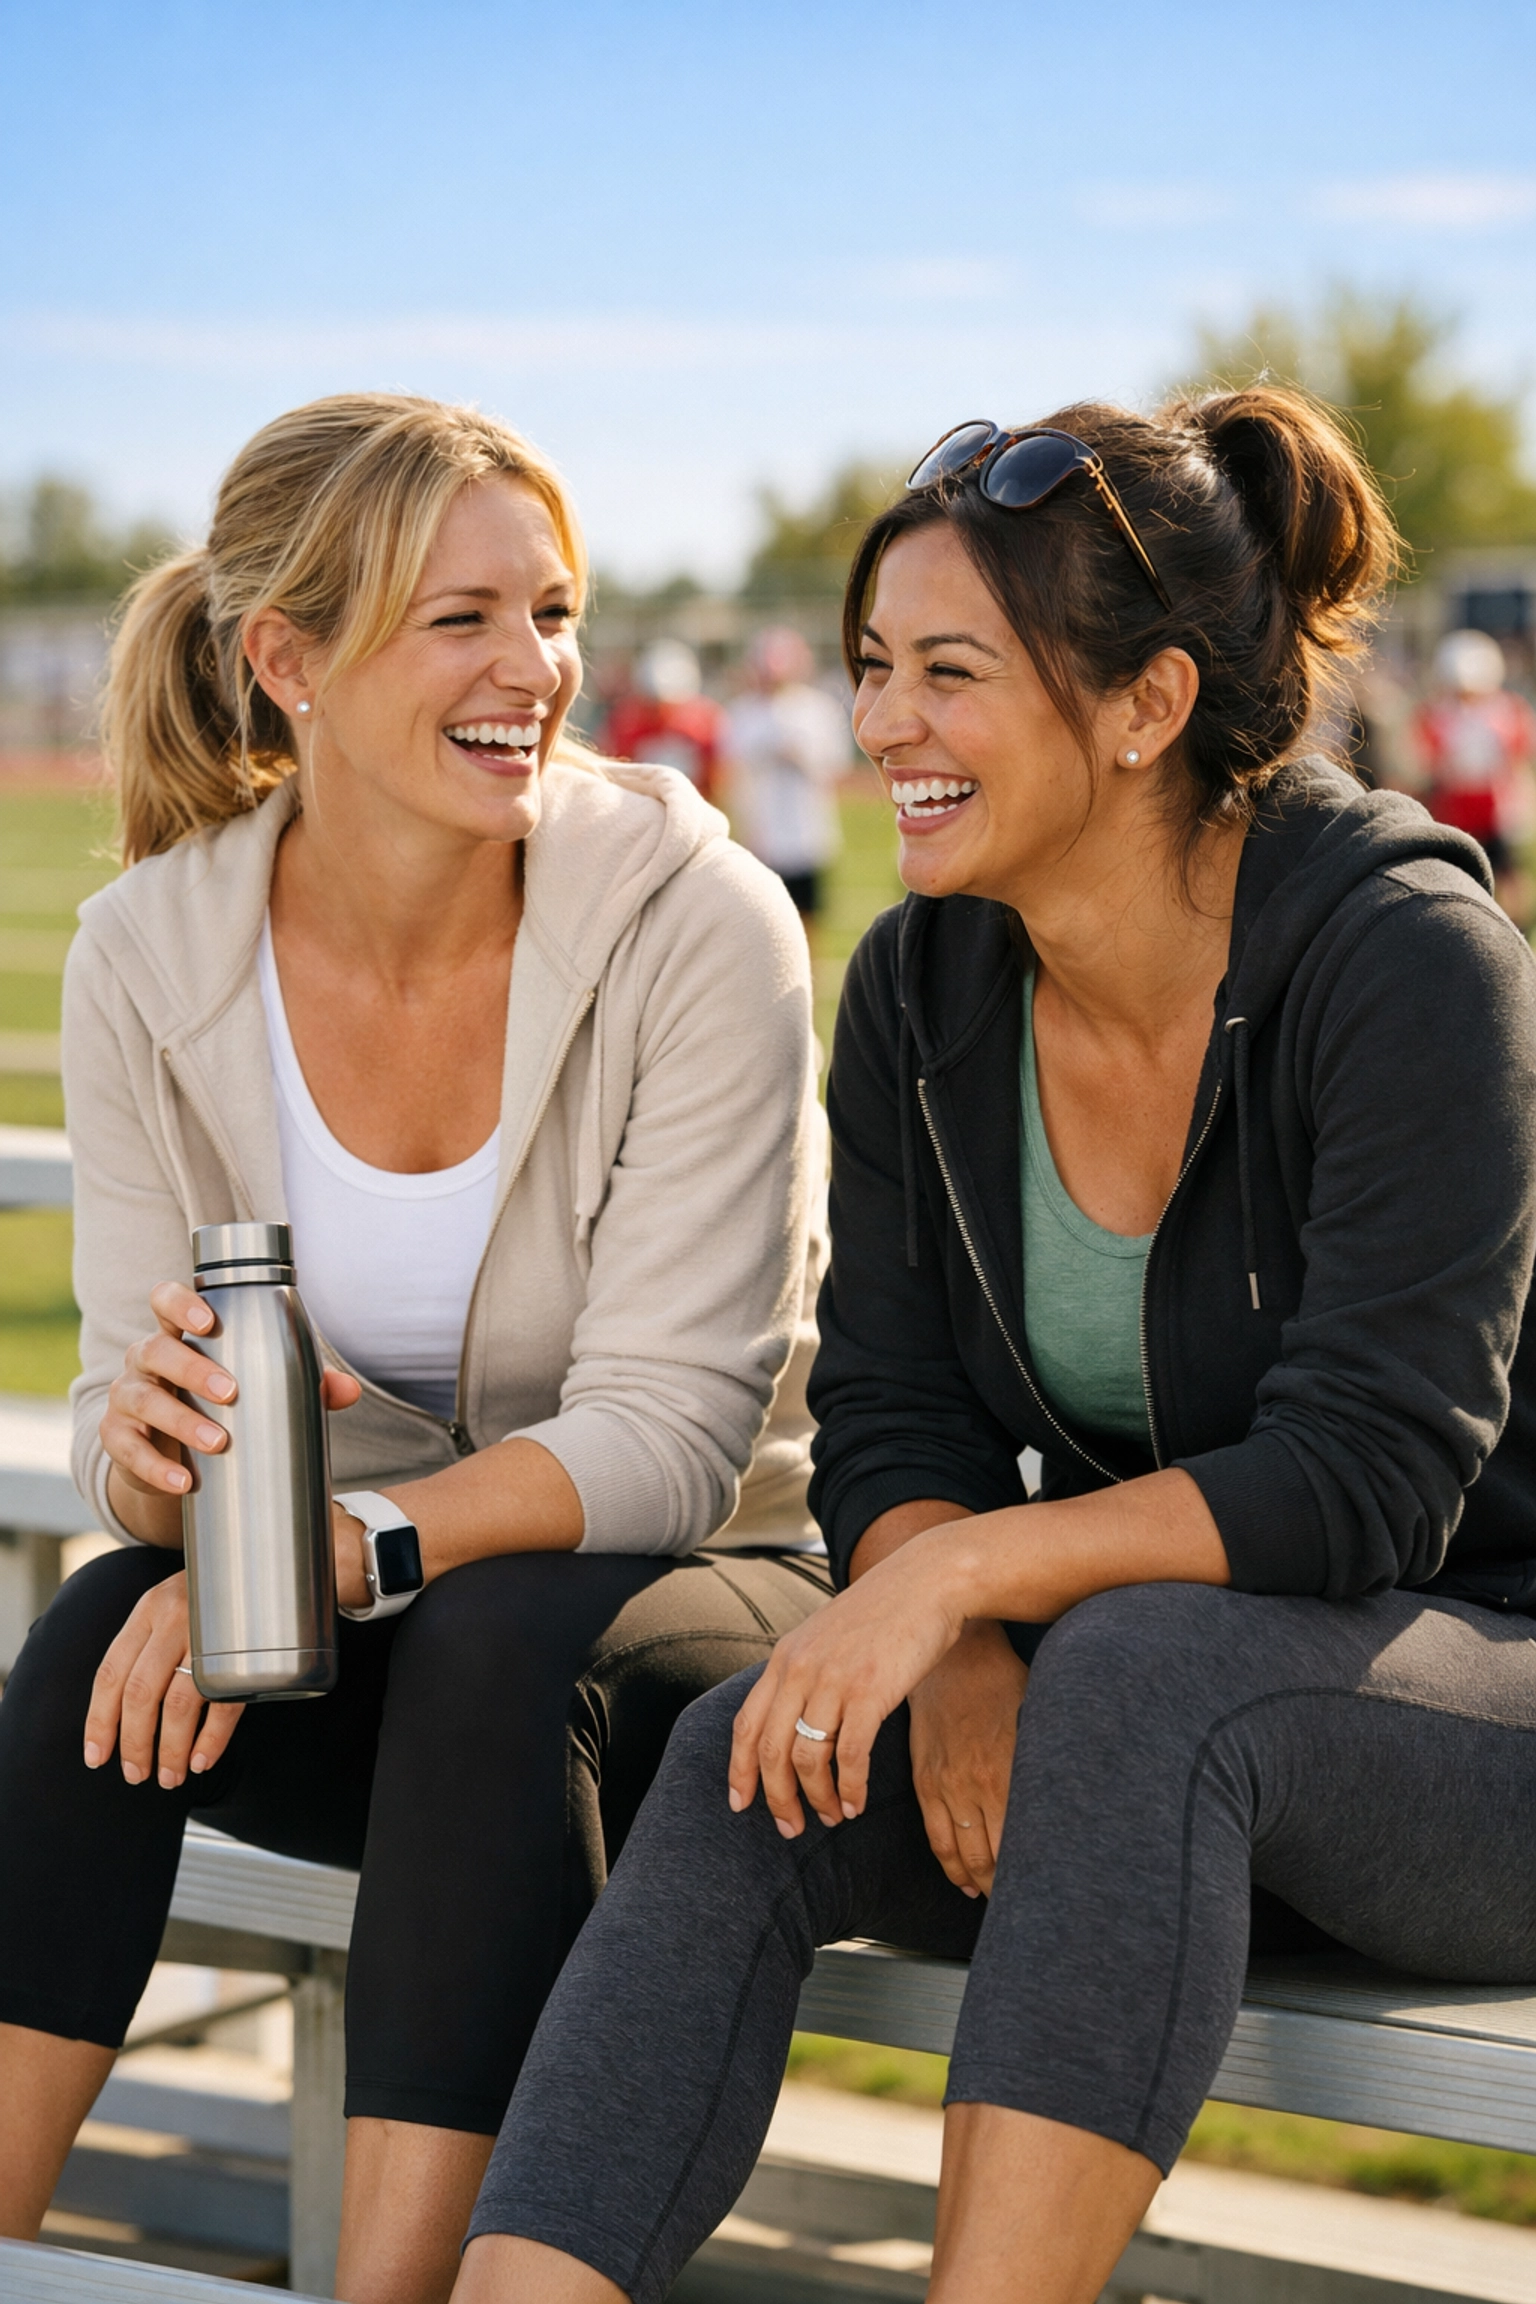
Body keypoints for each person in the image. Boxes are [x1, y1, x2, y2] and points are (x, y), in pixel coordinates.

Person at [452, 393, 1536, 2304]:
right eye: (874, 667)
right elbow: (884, 1404)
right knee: (753, 1744)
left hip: (1474, 1711)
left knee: (1139, 1667)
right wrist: (939, 1630)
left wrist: (965, 1578)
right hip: (1152, 1710)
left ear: (1144, 705)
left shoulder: (1407, 958)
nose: (882, 725)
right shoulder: (918, 980)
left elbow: (1365, 1474)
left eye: (948, 672)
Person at [0, 393, 831, 2304]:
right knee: (76, 1659)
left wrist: (332, 1553)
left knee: (486, 1635)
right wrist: (153, 1457)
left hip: (709, 1608)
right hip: (386, 1628)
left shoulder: (698, 919)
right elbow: (132, 1433)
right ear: (281, 659)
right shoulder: (145, 949)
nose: (530, 668)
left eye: (551, 613)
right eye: (459, 618)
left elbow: (676, 1433)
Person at [725, 625, 850, 923]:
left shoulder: (817, 709)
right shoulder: (742, 714)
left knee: (807, 918)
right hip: (762, 836)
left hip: (807, 834)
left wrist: (798, 756)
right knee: (762, 919)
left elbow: (834, 768)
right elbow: (734, 774)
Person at [1414, 627, 1536, 926]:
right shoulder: (1436, 712)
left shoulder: (1507, 709)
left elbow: (1518, 753)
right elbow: (1431, 759)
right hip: (1455, 807)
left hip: (1497, 809)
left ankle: (1514, 927)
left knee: (1506, 874)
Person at [596, 638, 725, 800]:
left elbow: (716, 777)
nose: (662, 711)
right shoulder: (626, 723)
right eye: (654, 704)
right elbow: (613, 772)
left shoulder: (705, 723)